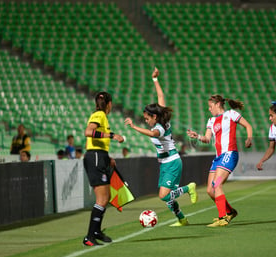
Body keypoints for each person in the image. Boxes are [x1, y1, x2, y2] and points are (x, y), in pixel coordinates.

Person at [125, 67, 198, 227]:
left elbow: (152, 134)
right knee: (167, 198)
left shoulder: (161, 127)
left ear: (154, 116)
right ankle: (182, 219)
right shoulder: (160, 118)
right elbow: (161, 96)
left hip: (172, 162)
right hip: (165, 164)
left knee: (164, 196)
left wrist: (133, 126)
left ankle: (188, 188)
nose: (145, 121)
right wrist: (155, 79)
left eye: (146, 119)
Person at [187, 95, 253, 227]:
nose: (209, 109)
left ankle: (223, 217)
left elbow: (248, 126)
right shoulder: (211, 120)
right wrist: (197, 136)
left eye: (210, 106)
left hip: (229, 155)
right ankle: (230, 212)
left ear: (218, 104)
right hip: (218, 158)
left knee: (217, 185)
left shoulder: (231, 114)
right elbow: (207, 138)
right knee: (210, 190)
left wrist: (249, 138)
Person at [82, 91, 125, 246]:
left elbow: (97, 142)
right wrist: (112, 135)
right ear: (109, 104)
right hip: (94, 157)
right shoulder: (99, 115)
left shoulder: (102, 116)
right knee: (101, 198)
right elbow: (88, 132)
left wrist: (107, 158)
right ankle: (89, 236)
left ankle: (96, 231)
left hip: (99, 157)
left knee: (105, 198)